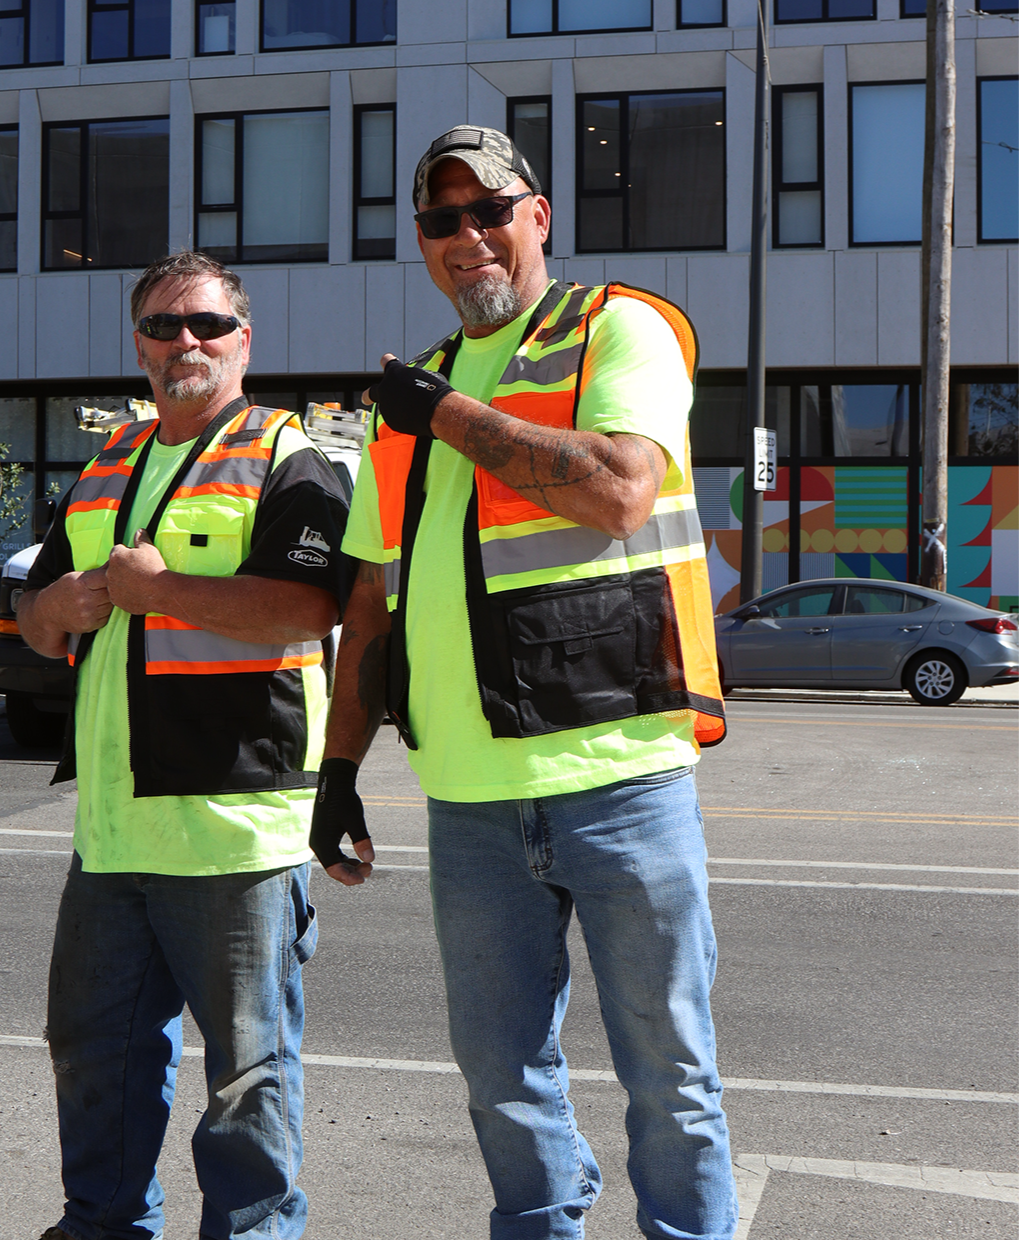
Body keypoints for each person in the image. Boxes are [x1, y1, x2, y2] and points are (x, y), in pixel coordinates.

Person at [309, 125, 737, 1240]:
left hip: (622, 777)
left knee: (669, 1077)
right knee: (501, 1079)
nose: (468, 237)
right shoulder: (413, 394)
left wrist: (443, 415)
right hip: (468, 799)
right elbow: (369, 603)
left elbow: (616, 491)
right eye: (441, 221)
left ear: (536, 217)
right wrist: (337, 771)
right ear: (421, 243)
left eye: (489, 210)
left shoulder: (615, 331)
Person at [19, 250, 350, 1240]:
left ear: (244, 339)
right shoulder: (107, 462)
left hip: (235, 829)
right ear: (140, 343)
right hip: (113, 832)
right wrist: (52, 606)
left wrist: (162, 591)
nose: (185, 342)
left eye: (206, 324)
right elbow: (35, 614)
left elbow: (305, 603)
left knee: (247, 1080)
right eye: (163, 326)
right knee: (92, 1058)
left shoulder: (292, 455)